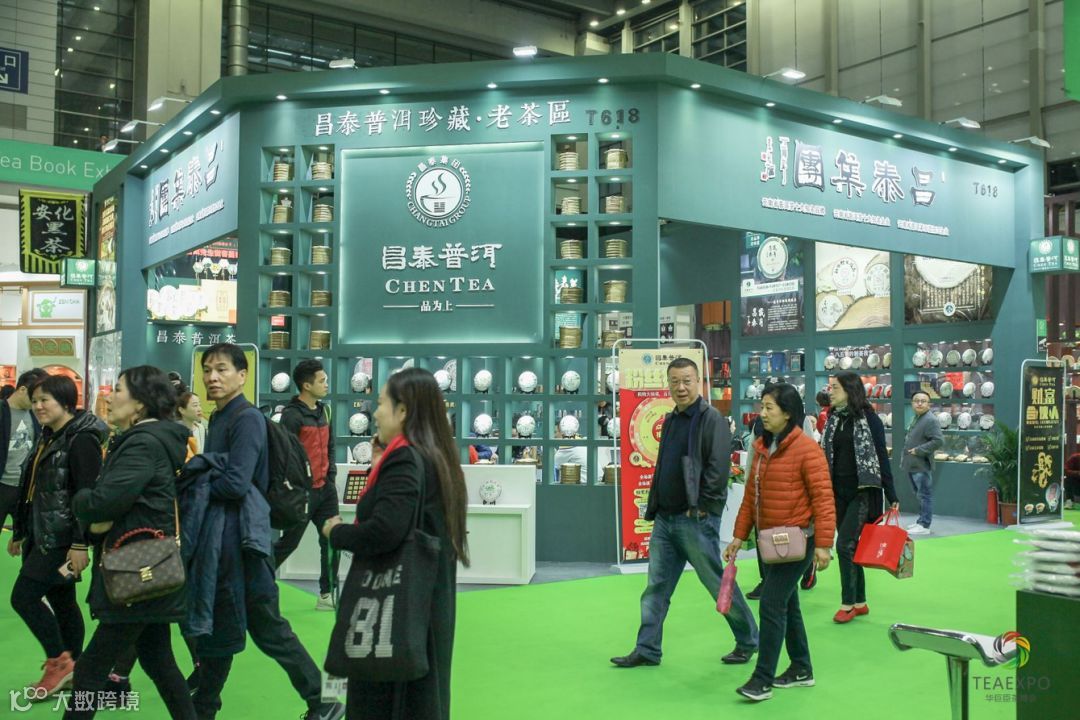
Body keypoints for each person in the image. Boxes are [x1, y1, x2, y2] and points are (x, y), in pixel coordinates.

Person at [189, 344, 343, 720]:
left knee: (266, 629)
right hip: (230, 539)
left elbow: (236, 482)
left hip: (245, 540)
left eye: (222, 369)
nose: (212, 377)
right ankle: (204, 706)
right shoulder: (221, 417)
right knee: (234, 628)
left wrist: (196, 480)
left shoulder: (245, 419)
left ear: (243, 375)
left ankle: (324, 699)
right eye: (207, 369)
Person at [323, 367, 469, 720]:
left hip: (396, 605)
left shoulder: (406, 459)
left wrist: (335, 532)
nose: (375, 413)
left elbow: (384, 531)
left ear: (403, 410)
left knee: (388, 700)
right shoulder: (436, 456)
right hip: (425, 600)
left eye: (380, 403)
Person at [610, 358, 759, 668]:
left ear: (698, 382)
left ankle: (748, 640)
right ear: (668, 384)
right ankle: (647, 649)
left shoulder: (711, 419)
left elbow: (718, 469)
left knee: (715, 583)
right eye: (675, 381)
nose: (681, 387)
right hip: (665, 519)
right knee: (656, 588)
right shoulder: (671, 419)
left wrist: (703, 507)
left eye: (687, 380)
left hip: (695, 520)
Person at [66, 366, 196, 719]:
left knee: (90, 669)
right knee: (159, 661)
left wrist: (80, 499)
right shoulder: (148, 440)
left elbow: (102, 503)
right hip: (147, 568)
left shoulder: (142, 443)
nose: (109, 397)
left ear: (140, 403)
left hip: (135, 571)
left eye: (118, 390)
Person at [723, 383, 835, 702]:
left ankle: (762, 680)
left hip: (800, 540)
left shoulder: (807, 450)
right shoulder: (761, 446)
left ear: (787, 413)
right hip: (770, 541)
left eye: (769, 407)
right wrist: (738, 537)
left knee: (772, 602)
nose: (763, 413)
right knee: (788, 603)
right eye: (762, 406)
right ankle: (801, 667)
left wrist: (824, 544)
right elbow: (750, 498)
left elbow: (823, 499)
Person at [9, 374, 107, 698]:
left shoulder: (81, 440)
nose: (38, 406)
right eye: (35, 400)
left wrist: (79, 543)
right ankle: (75, 667)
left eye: (45, 400)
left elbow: (86, 495)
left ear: (65, 402)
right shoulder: (49, 435)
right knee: (62, 601)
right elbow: (33, 488)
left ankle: (59, 662)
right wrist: (21, 531)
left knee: (23, 597)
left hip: (61, 539)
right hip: (42, 533)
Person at [821, 370, 897, 623]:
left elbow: (881, 456)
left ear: (850, 391)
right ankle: (860, 602)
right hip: (837, 491)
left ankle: (847, 604)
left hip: (863, 491)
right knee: (851, 547)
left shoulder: (870, 419)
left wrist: (891, 493)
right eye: (830, 387)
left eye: (835, 388)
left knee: (844, 545)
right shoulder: (832, 419)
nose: (830, 392)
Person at [273, 359, 339, 611]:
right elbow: (284, 455)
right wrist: (296, 487)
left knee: (332, 541)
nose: (326, 384)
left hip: (326, 490)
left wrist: (330, 476)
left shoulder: (325, 411)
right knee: (289, 543)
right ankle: (254, 583)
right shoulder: (291, 416)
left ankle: (327, 594)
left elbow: (330, 446)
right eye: (322, 381)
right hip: (302, 494)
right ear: (306, 385)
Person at [2, 369, 48, 531]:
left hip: (25, 487)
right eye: (34, 398)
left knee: (25, 534)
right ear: (22, 389)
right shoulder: (2, 411)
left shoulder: (36, 415)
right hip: (3, 484)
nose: (38, 403)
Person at [900, 391, 944, 535]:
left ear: (929, 404)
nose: (919, 403)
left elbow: (938, 441)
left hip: (921, 464)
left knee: (925, 495)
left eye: (923, 401)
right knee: (920, 495)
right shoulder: (918, 418)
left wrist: (918, 450)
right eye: (916, 400)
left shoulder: (930, 420)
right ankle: (921, 521)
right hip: (913, 464)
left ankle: (924, 525)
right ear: (912, 403)